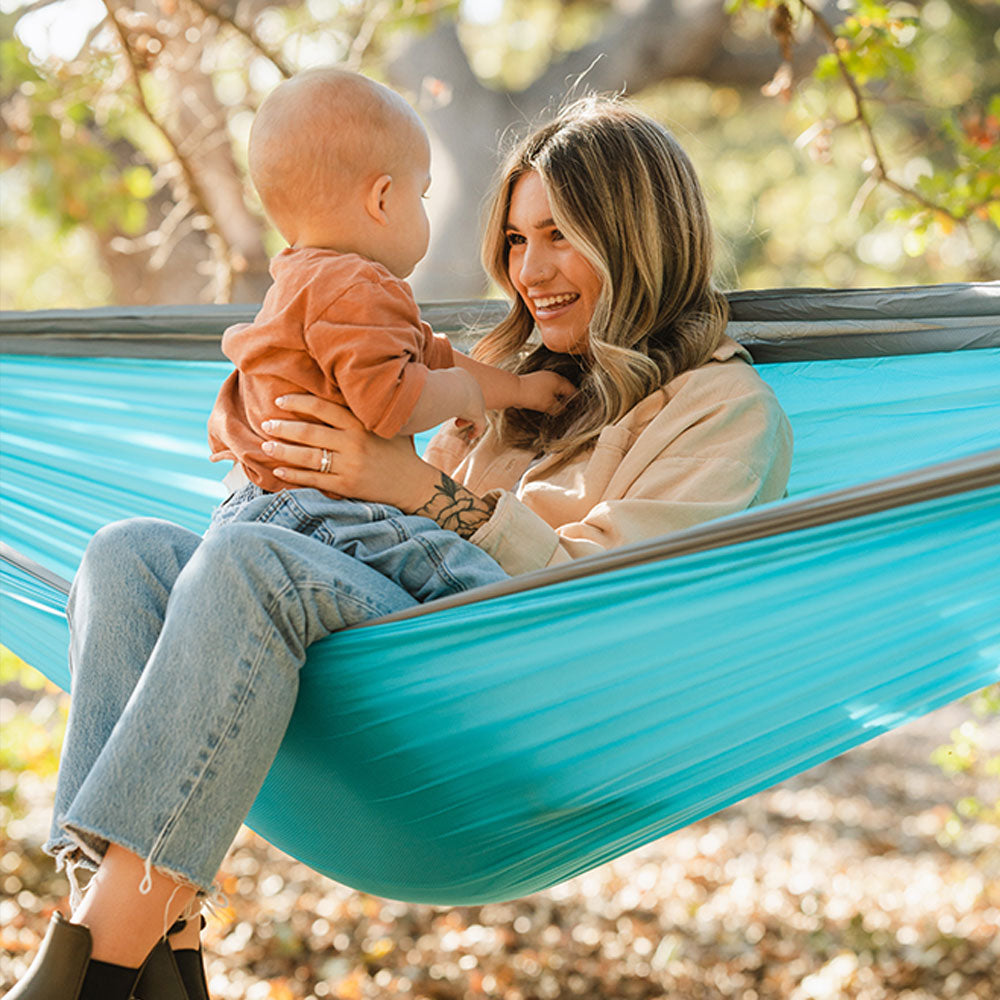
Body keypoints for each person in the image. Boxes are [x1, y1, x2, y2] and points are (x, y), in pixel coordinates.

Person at [10, 94, 793, 999]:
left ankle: (96, 968)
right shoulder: (508, 380)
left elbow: (610, 602)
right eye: (512, 241)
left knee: (246, 566)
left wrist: (410, 485)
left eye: (559, 235)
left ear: (638, 234)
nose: (528, 272)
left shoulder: (722, 413)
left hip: (517, 708)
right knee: (128, 552)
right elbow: (375, 533)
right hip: (389, 670)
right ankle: (155, 947)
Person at [207, 67, 571, 602]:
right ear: (381, 200)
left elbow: (430, 355)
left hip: (251, 507)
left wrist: (519, 390)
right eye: (421, 196)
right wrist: (463, 396)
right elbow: (392, 402)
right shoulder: (359, 286)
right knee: (477, 580)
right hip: (322, 510)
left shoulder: (301, 280)